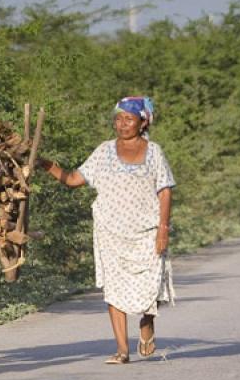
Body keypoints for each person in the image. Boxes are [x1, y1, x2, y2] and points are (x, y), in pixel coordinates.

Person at [39, 96, 175, 364]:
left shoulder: (154, 152)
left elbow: (165, 189)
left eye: (129, 119)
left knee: (151, 283)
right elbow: (75, 179)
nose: (122, 124)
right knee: (114, 289)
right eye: (118, 118)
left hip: (147, 230)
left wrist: (163, 228)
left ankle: (147, 323)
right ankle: (122, 350)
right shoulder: (103, 151)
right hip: (110, 231)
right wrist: (45, 164)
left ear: (143, 122)